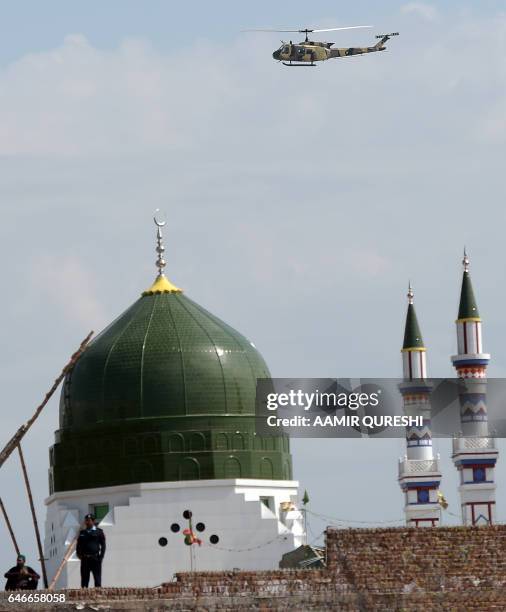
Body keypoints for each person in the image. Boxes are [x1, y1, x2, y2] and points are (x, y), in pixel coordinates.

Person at [76, 513, 106, 588]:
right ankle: (84, 596)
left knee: (97, 580)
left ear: (93, 521)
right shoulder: (82, 533)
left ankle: (98, 596)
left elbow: (103, 545)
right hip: (85, 559)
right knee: (84, 581)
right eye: (86, 520)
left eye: (89, 520)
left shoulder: (99, 532)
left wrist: (101, 557)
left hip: (95, 559)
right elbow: (78, 545)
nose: (87, 522)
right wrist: (79, 554)